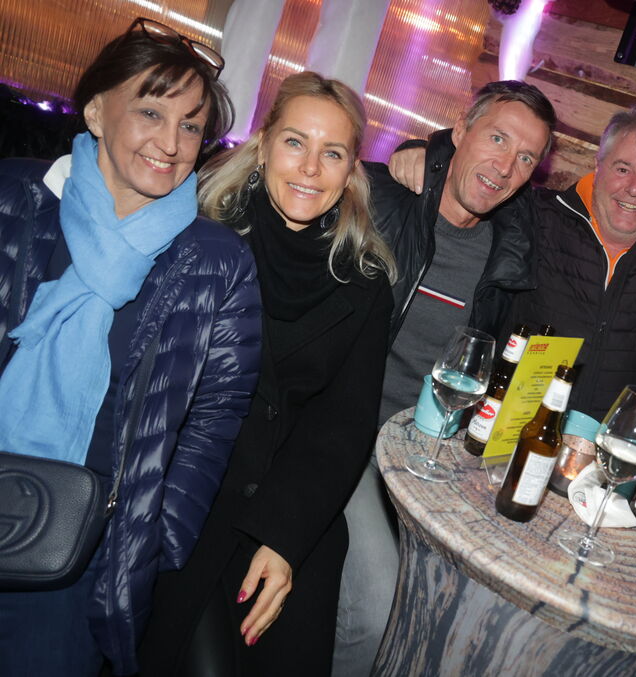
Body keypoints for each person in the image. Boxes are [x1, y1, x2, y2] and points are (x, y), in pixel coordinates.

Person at [0, 18, 261, 677]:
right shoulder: (14, 197)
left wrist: (157, 533)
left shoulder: (217, 261)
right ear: (95, 111)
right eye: (151, 112)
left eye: (191, 126)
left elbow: (218, 414)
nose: (171, 144)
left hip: (81, 551)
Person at [139, 72, 395, 676]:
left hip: (290, 501)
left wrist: (283, 538)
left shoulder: (365, 283)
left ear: (350, 171)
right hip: (184, 494)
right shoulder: (197, 235)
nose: (309, 168)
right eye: (294, 142)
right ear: (263, 146)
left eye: (332, 153)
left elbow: (341, 427)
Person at [332, 80, 556, 675]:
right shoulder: (378, 196)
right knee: (378, 604)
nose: (505, 166)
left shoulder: (507, 253)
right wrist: (420, 151)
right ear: (460, 130)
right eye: (497, 139)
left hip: (431, 453)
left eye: (526, 157)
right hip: (347, 437)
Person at [388, 105, 636, 420]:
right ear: (599, 164)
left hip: (614, 445)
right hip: (505, 431)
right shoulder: (533, 216)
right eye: (623, 169)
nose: (635, 189)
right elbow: (480, 175)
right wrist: (425, 153)